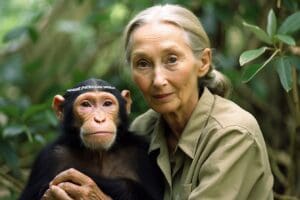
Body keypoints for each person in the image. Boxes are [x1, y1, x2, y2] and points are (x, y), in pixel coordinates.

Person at [42, 4, 274, 200]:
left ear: (202, 62)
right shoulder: (143, 128)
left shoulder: (233, 134)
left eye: (171, 60)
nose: (158, 80)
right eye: (143, 63)